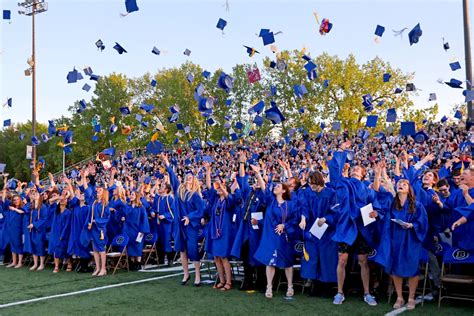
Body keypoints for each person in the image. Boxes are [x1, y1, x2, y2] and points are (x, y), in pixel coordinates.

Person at [328, 141, 381, 306]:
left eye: (358, 169)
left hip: (362, 228)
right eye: (353, 168)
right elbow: (334, 170)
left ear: (364, 174)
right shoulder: (344, 183)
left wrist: (376, 212)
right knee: (342, 260)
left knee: (363, 261)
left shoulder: (367, 188)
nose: (355, 169)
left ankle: (367, 293)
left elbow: (376, 203)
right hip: (345, 227)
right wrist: (341, 149)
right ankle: (339, 292)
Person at [375, 177, 428, 311]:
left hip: (411, 240)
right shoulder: (393, 205)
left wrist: (412, 225)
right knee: (395, 267)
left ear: (409, 189)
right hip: (396, 239)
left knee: (412, 268)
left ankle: (411, 297)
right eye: (399, 183)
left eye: (404, 184)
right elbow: (386, 221)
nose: (401, 185)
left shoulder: (417, 205)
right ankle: (399, 296)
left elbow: (423, 223)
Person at [252, 164, 298, 299]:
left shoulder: (290, 204)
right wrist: (258, 174)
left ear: (283, 191)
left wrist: (284, 225)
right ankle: (269, 287)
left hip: (284, 237)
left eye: (278, 186)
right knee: (270, 261)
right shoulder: (271, 202)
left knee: (287, 262)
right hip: (271, 236)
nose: (275, 187)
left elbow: (294, 220)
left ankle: (290, 286)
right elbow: (264, 188)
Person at [162, 154, 205, 286]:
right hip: (179, 225)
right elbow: (173, 177)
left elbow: (201, 210)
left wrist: (190, 217)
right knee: (182, 250)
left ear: (193, 180)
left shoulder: (196, 195)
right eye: (187, 177)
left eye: (190, 177)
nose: (188, 179)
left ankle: (197, 275)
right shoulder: (179, 190)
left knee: (192, 250)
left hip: (190, 226)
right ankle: (186, 274)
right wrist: (167, 162)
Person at [298, 171, 339, 292]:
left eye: (313, 183)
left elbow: (336, 212)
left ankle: (326, 288)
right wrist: (303, 219)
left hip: (327, 232)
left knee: (327, 259)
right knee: (313, 257)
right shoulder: (308, 193)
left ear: (319, 181)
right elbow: (304, 207)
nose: (311, 186)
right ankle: (314, 286)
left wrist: (326, 219)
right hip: (313, 231)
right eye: (310, 183)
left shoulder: (331, 194)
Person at [204, 162, 241, 291]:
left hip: (225, 232)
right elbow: (209, 187)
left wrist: (223, 187)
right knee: (216, 257)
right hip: (214, 231)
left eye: (222, 188)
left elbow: (230, 197)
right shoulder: (215, 200)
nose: (219, 189)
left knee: (224, 257)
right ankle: (221, 280)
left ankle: (229, 282)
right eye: (218, 188)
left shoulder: (229, 200)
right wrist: (208, 171)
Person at [80, 181, 110, 277]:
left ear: (104, 193)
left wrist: (96, 221)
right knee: (95, 249)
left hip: (100, 229)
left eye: (100, 190)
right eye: (98, 190)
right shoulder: (94, 203)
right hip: (92, 228)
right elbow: (88, 195)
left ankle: (103, 268)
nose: (98, 191)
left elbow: (106, 218)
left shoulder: (105, 205)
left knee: (101, 249)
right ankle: (97, 268)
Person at [122, 190, 150, 270]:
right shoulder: (127, 206)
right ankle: (132, 263)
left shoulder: (141, 208)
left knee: (138, 246)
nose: (131, 196)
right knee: (130, 246)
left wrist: (142, 231)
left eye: (133, 194)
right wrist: (123, 218)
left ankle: (138, 263)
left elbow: (144, 220)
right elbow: (123, 215)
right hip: (129, 229)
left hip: (138, 230)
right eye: (130, 194)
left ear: (136, 196)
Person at [1, 188, 25, 269]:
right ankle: (14, 262)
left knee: (18, 245)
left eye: (17, 199)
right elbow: (4, 200)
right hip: (10, 230)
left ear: (20, 200)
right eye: (14, 200)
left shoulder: (22, 208)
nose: (16, 201)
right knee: (12, 246)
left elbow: (23, 212)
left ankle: (19, 262)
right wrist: (4, 189)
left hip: (18, 231)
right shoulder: (10, 208)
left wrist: (15, 209)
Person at [49, 190, 72, 273]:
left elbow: (67, 226)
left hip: (63, 233)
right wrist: (60, 197)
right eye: (62, 200)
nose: (63, 200)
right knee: (55, 249)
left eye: (65, 200)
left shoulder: (68, 212)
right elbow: (50, 200)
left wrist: (63, 235)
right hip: (55, 232)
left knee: (64, 249)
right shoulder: (56, 210)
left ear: (67, 202)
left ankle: (69, 263)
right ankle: (56, 266)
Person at [25, 190, 48, 271]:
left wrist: (34, 224)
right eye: (33, 194)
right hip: (33, 230)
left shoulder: (43, 207)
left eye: (36, 194)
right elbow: (25, 210)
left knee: (40, 247)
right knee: (34, 246)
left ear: (40, 196)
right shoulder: (31, 206)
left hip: (40, 230)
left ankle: (41, 264)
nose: (34, 195)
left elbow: (44, 219)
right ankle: (35, 264)